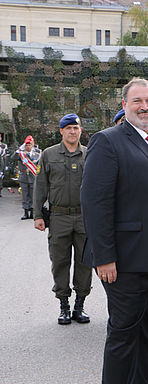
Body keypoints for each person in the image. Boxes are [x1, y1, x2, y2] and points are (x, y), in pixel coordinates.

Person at [81, 78, 148, 384]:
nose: (144, 106)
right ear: (124, 105)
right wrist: (104, 256)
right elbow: (96, 203)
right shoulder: (108, 141)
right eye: (137, 101)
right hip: (124, 261)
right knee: (124, 335)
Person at [33, 114, 92, 324]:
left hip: (84, 217)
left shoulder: (89, 154)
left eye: (76, 128)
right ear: (61, 131)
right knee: (60, 262)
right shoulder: (48, 155)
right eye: (68, 128)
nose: (72, 132)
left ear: (80, 130)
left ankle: (80, 306)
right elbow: (40, 187)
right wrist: (38, 215)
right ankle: (64, 306)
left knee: (84, 262)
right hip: (59, 217)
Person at [12, 135, 41, 219]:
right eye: (27, 145)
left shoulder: (38, 152)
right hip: (24, 177)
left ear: (33, 144)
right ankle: (25, 213)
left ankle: (32, 212)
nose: (28, 146)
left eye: (30, 144)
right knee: (25, 195)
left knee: (33, 195)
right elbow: (13, 158)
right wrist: (18, 150)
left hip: (33, 176)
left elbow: (40, 165)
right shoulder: (21, 153)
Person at [0, 132, 7, 197]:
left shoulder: (4, 146)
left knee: (0, 178)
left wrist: (5, 166)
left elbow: (5, 156)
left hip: (1, 163)